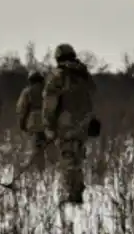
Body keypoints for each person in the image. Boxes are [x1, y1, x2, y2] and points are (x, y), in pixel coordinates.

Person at [42, 43, 96, 205]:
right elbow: (92, 97)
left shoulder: (58, 76)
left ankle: (73, 196)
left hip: (65, 125)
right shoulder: (84, 75)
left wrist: (49, 126)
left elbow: (49, 105)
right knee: (77, 159)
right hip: (84, 124)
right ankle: (76, 191)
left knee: (68, 160)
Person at [16, 70, 49, 168]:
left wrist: (22, 123)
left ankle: (38, 169)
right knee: (48, 147)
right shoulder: (48, 91)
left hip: (33, 122)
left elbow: (22, 108)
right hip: (47, 122)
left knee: (36, 148)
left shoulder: (27, 91)